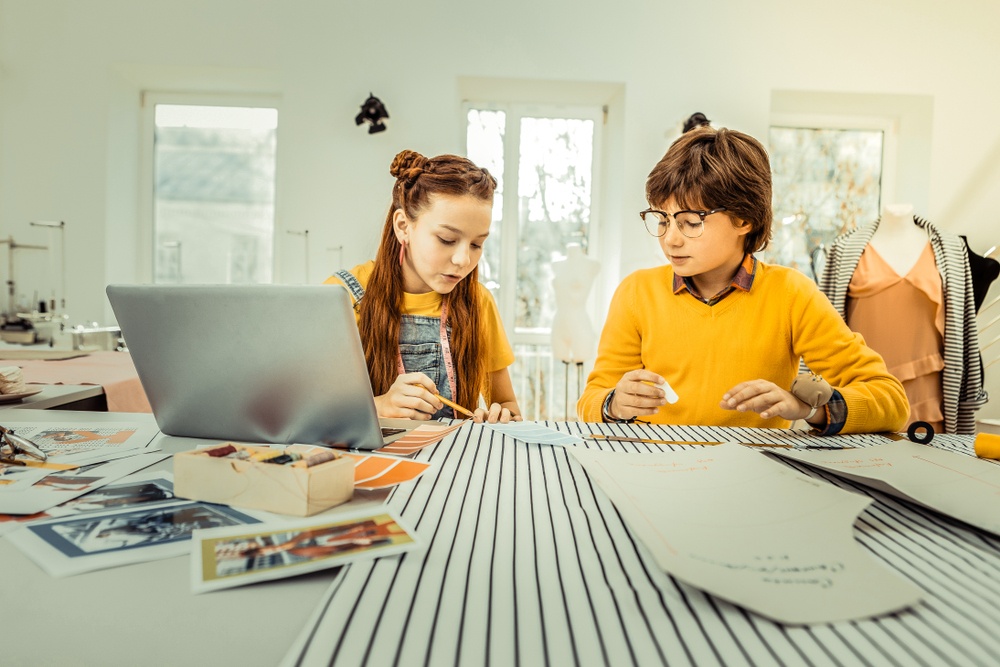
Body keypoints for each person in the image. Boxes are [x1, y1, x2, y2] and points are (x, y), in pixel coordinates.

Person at [577, 127, 909, 434]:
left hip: (756, 479)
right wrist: (613, 405)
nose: (670, 239)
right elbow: (591, 400)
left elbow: (891, 401)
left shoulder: (791, 294)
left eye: (691, 222)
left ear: (744, 219)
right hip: (656, 475)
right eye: (662, 219)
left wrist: (808, 410)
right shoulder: (637, 293)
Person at [326, 150, 521, 423]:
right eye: (446, 239)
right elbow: (310, 412)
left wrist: (503, 414)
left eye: (477, 244)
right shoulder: (343, 296)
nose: (464, 260)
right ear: (404, 226)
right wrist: (379, 406)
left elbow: (507, 403)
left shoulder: (479, 301)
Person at [820, 206, 988, 434]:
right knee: (859, 464)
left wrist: (969, 391)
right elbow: (825, 327)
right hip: (863, 391)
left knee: (930, 465)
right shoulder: (844, 249)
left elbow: (966, 329)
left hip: (928, 393)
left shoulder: (952, 249)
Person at [550, 243, 601, 363]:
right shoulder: (557, 265)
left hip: (579, 324)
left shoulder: (592, 265)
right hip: (559, 323)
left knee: (580, 361)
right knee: (562, 359)